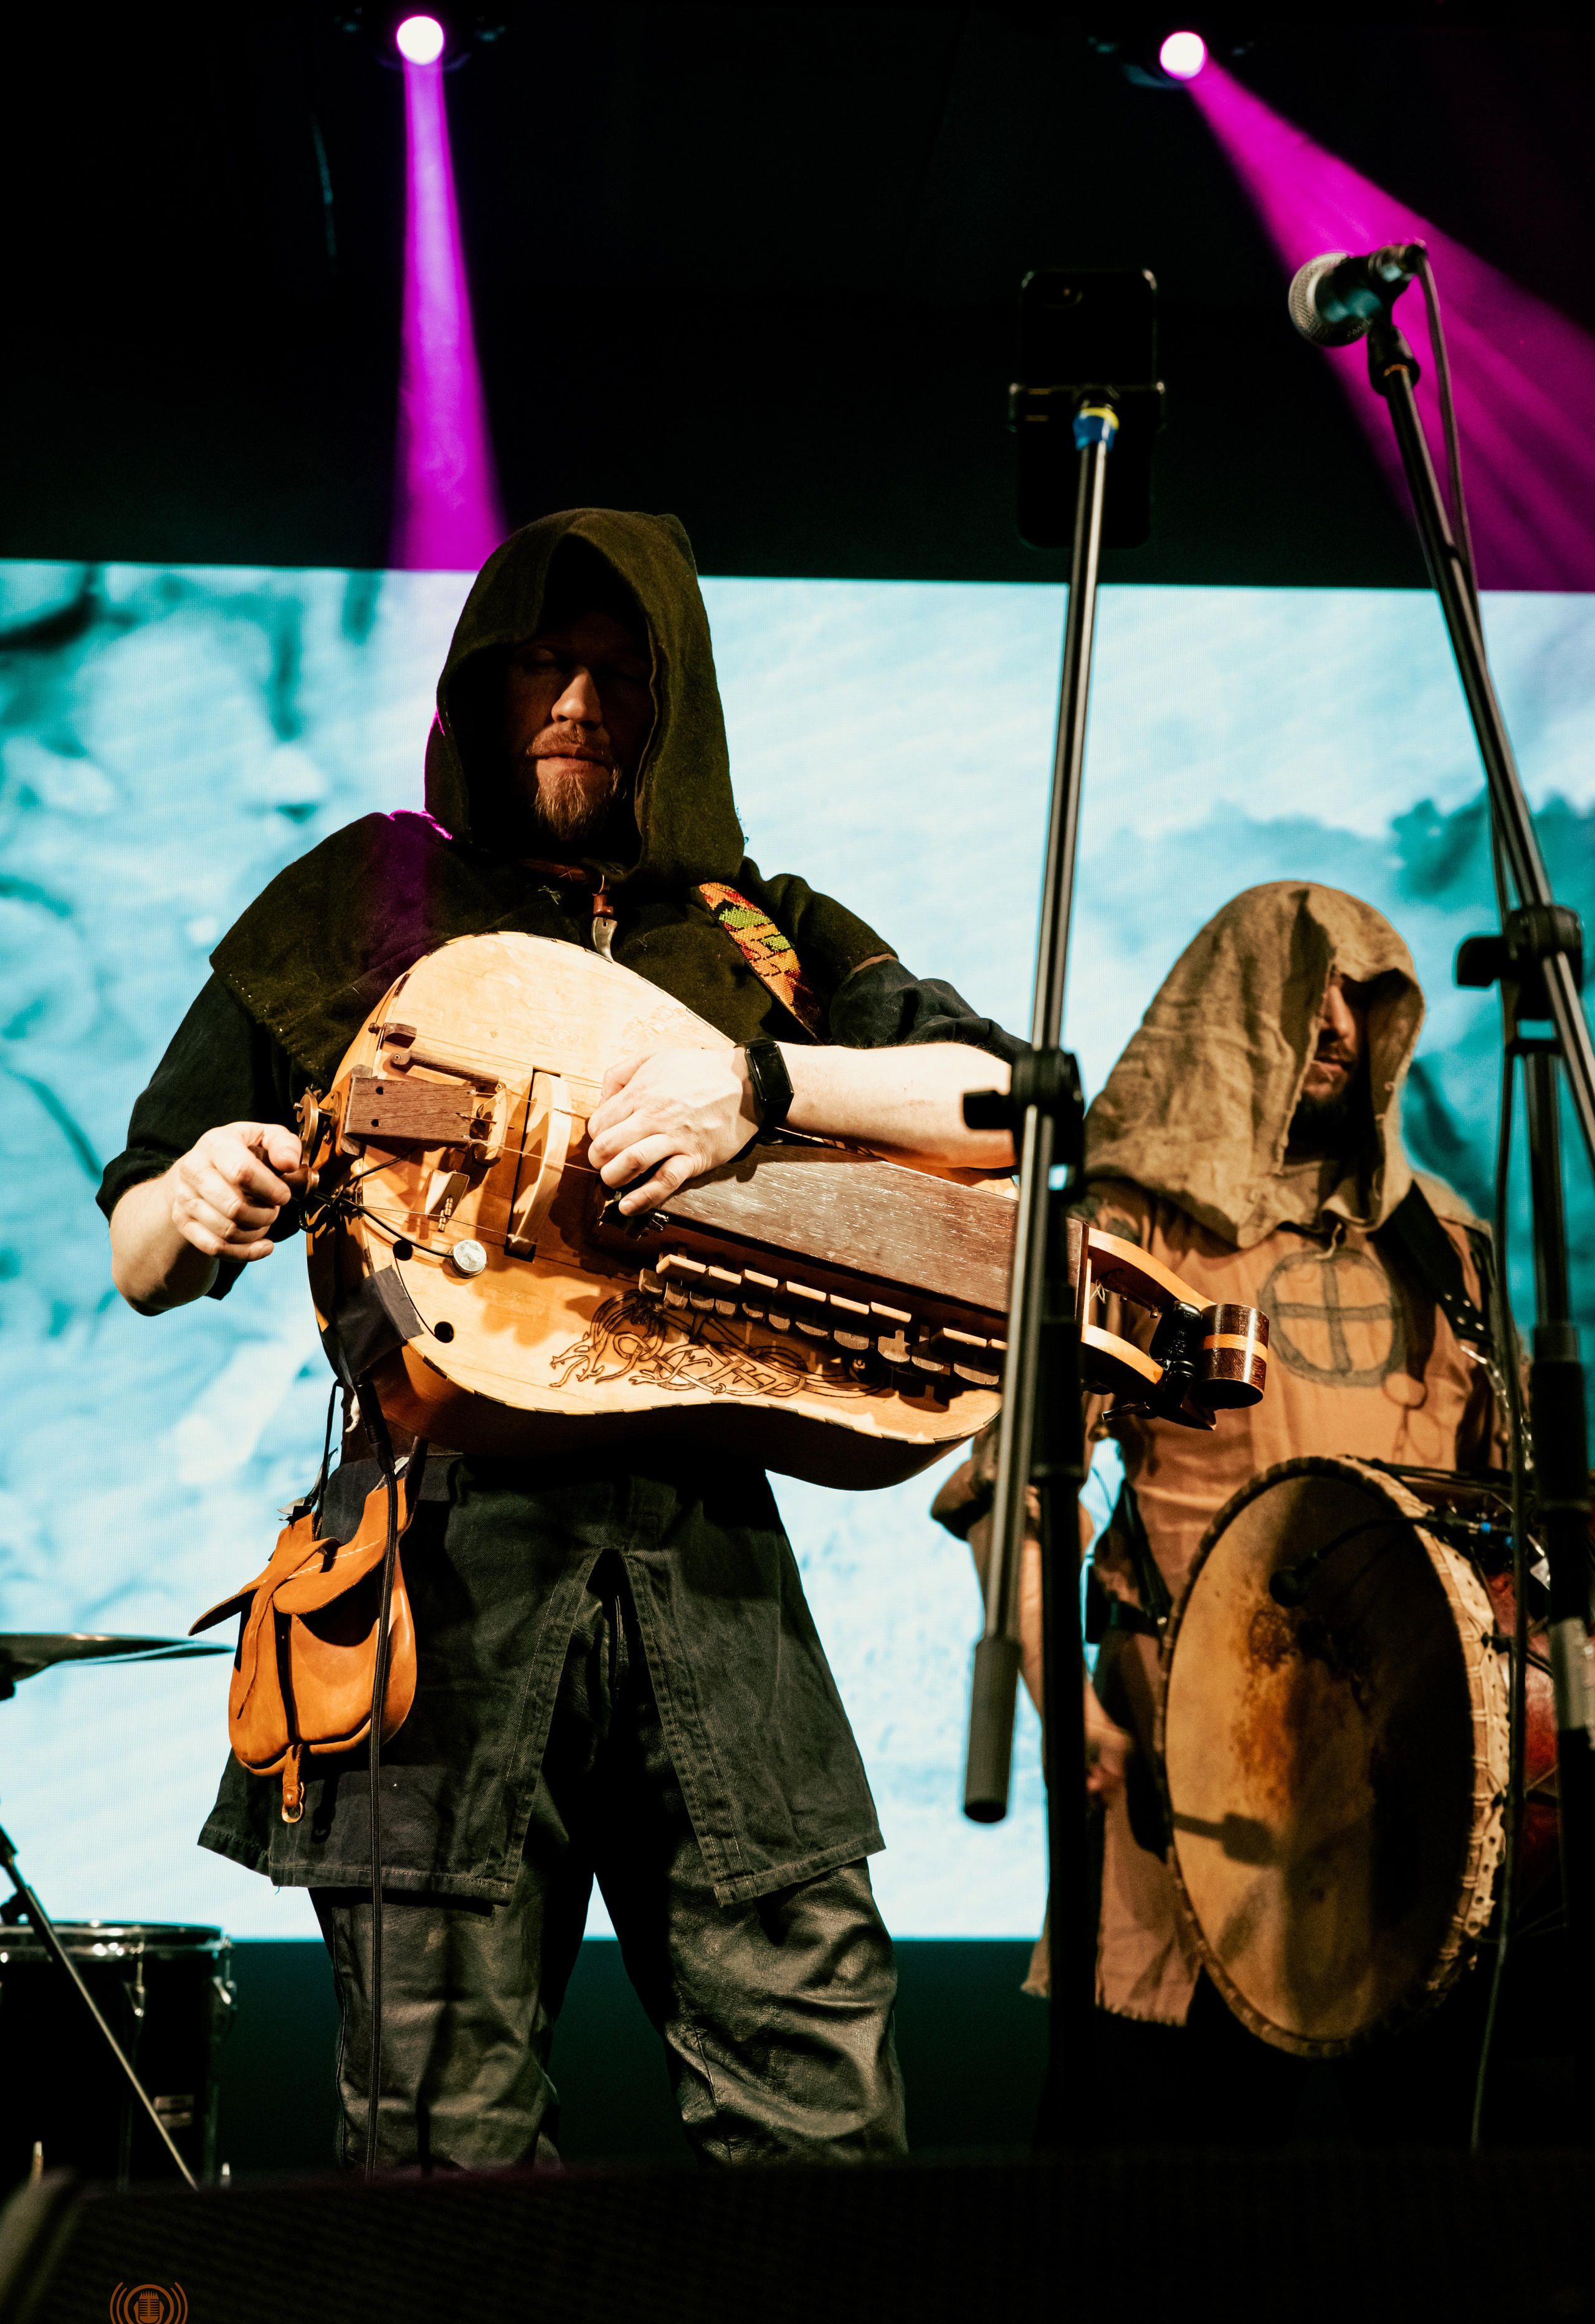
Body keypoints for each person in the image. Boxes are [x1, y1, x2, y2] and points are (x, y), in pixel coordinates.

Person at [101, 507, 1023, 2169]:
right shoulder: (363, 892)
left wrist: (762, 1083)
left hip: (711, 1566)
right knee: (439, 2152)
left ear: (677, 702)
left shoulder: (759, 929)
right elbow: (139, 1249)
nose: (576, 707)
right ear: (475, 684)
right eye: (540, 663)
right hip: (435, 1569)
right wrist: (203, 1189)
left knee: (821, 2122)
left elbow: (1010, 1112)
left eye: (616, 671)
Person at [935, 880, 1513, 2143]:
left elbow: (1514, 1534)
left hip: (1411, 1807)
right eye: (1303, 991)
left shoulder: (1446, 1252)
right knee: (1145, 2230)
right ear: (1229, 1011)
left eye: (1361, 996)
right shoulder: (1133, 1236)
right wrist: (1074, 1714)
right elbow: (1007, 1500)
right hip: (1182, 1797)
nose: (1333, 1028)